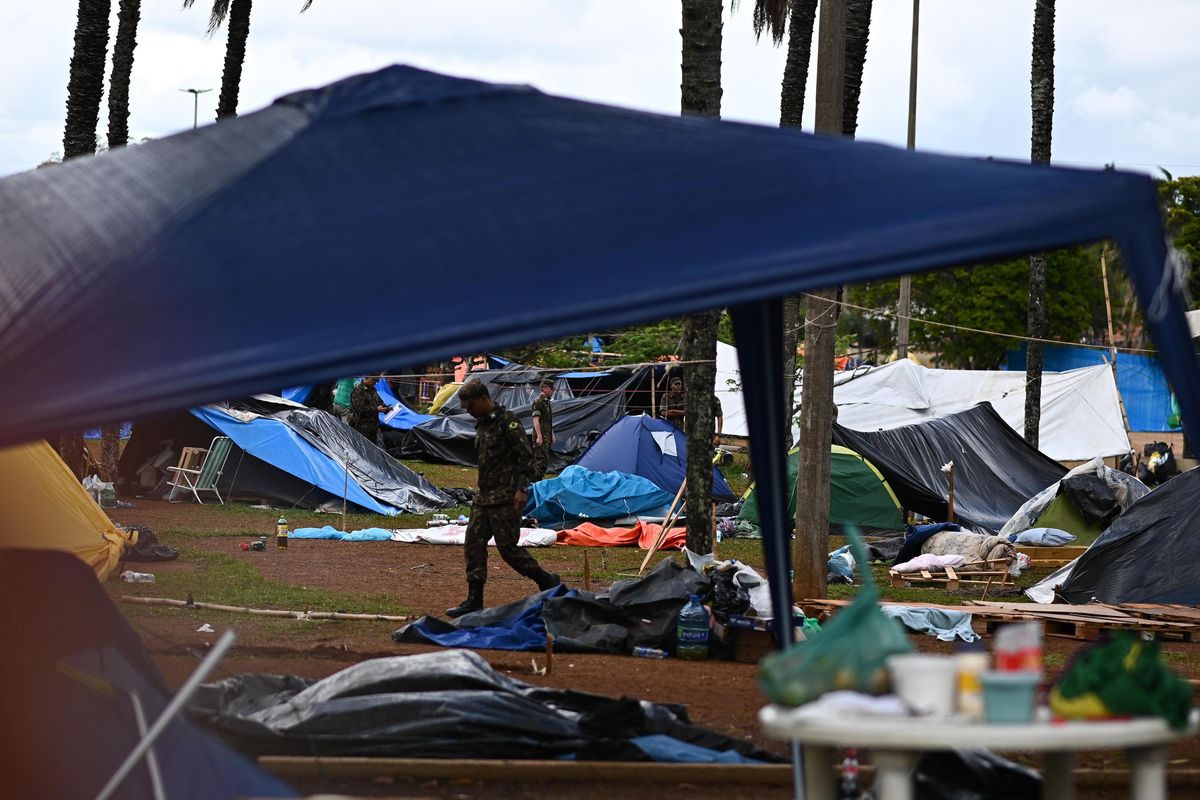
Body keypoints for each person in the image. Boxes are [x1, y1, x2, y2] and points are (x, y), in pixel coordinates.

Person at [447, 379, 561, 617]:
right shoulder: (482, 423)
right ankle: (474, 599)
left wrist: (522, 490)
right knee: (473, 543)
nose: (468, 411)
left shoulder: (507, 422)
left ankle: (547, 580)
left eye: (470, 406)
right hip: (484, 497)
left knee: (508, 549)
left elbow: (525, 458)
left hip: (506, 497)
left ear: (482, 399)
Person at [349, 375, 388, 444]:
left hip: (373, 427)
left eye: (377, 381)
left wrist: (386, 408)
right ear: (366, 377)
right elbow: (360, 410)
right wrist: (376, 409)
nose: (375, 383)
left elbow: (379, 401)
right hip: (362, 428)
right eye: (373, 380)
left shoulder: (372, 389)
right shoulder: (358, 391)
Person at [530, 378, 556, 480]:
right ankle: (533, 484)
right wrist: (539, 436)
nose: (552, 391)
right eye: (550, 388)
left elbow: (547, 420)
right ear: (544, 388)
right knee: (540, 462)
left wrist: (552, 434)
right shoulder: (538, 402)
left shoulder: (547, 402)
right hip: (541, 436)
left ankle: (537, 483)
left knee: (544, 462)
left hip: (547, 435)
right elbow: (536, 420)